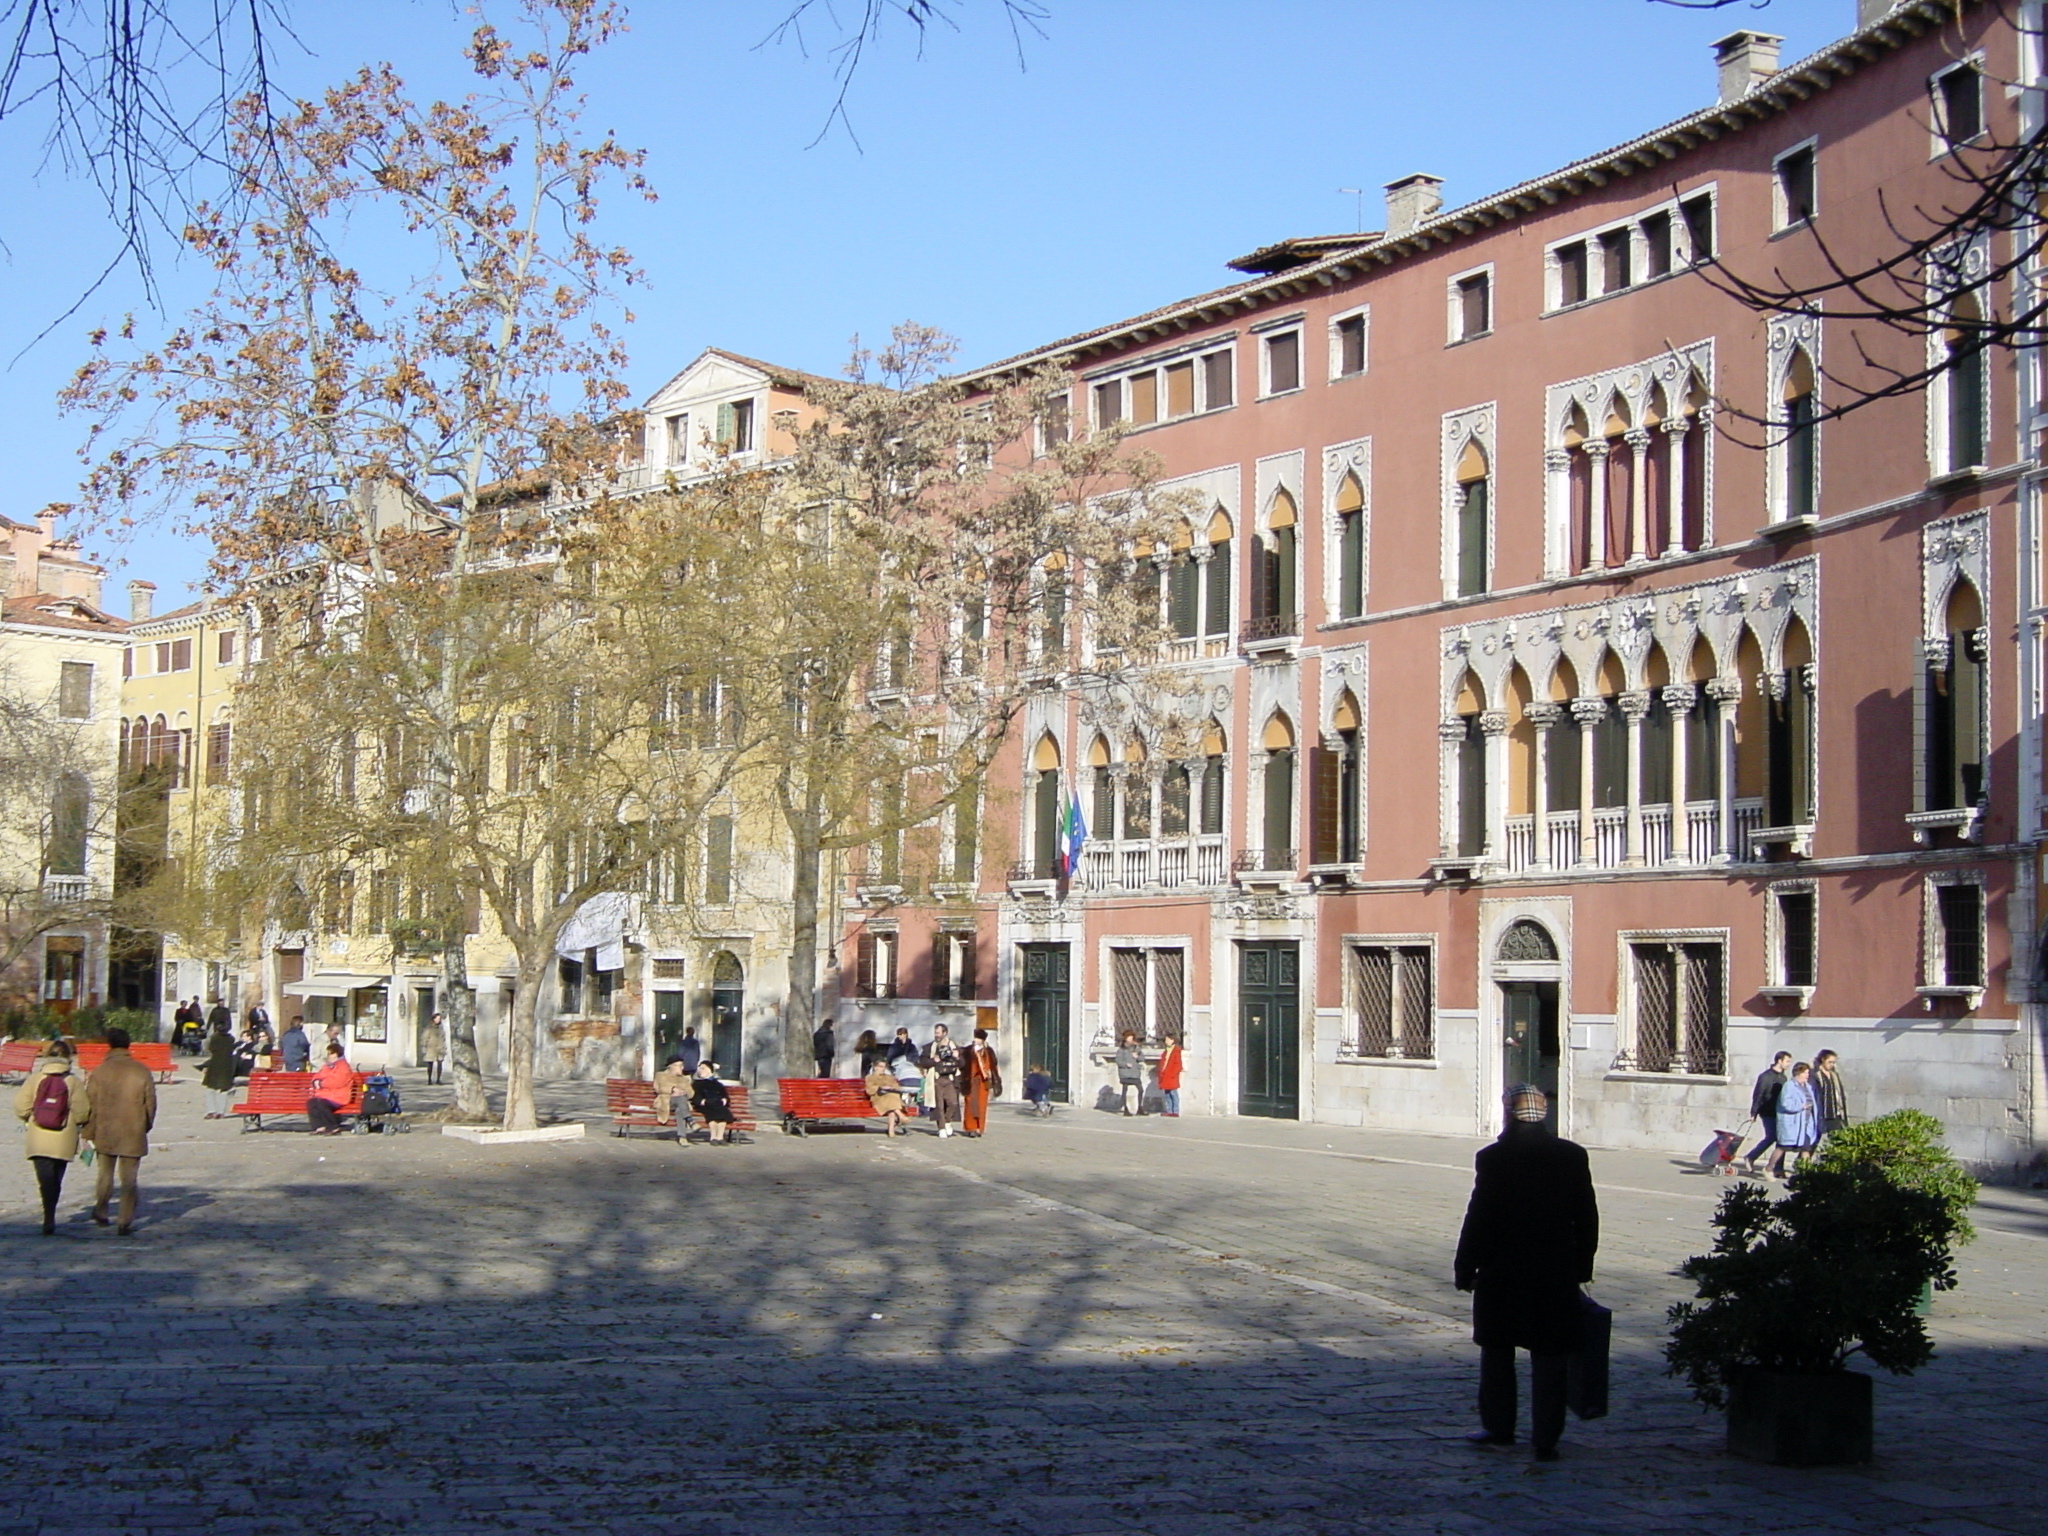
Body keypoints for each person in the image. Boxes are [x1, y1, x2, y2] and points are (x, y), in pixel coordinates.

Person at [1453, 1084, 1599, 1463]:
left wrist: (1465, 1265)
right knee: (1550, 1355)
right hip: (1555, 1269)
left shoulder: (1494, 1157)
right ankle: (1546, 1438)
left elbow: (1479, 1215)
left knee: (1498, 1350)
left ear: (1507, 1114)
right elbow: (1586, 1215)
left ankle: (1499, 1427)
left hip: (1503, 1268)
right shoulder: (1571, 1155)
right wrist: (1582, 1264)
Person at [84, 1027, 156, 1235]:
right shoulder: (141, 1071)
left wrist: (88, 1131)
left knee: (105, 1174)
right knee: (129, 1178)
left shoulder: (100, 1071)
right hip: (133, 1130)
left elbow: (91, 1105)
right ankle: (125, 1220)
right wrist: (145, 1125)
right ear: (128, 1045)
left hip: (106, 1129)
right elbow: (150, 1104)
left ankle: (102, 1210)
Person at [15, 1039, 91, 1236]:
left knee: (44, 1177)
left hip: (38, 1136)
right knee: (56, 1178)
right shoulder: (72, 1081)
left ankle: (47, 1213)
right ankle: (51, 1212)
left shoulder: (35, 1078)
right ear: (68, 1057)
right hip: (63, 1137)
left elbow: (21, 1107)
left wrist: (30, 1116)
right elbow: (83, 1112)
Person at [1742, 1051, 1791, 1176]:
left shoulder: (1783, 1078)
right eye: (1787, 1061)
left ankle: (1778, 1168)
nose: (1788, 1064)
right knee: (1772, 1137)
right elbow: (1758, 1095)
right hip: (1767, 1111)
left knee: (1782, 1140)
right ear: (1779, 1061)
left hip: (1780, 1112)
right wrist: (1754, 1112)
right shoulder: (1765, 1076)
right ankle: (1751, 1157)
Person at [1773, 1062, 1820, 1178]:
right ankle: (1770, 1168)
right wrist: (1800, 1106)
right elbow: (1785, 1103)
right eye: (1805, 1072)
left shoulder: (1807, 1087)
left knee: (1806, 1148)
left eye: (1808, 1072)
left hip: (1806, 1124)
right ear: (1798, 1073)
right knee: (1782, 1147)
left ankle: (1805, 1172)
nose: (1807, 1075)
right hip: (1793, 1124)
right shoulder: (1789, 1086)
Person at [961, 1027, 1002, 1138]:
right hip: (971, 1080)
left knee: (981, 1105)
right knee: (970, 1104)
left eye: (978, 1038)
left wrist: (996, 1081)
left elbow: (993, 1066)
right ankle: (971, 1127)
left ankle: (980, 1127)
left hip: (983, 1082)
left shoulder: (988, 1051)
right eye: (975, 1038)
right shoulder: (968, 1050)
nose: (975, 1040)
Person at [307, 1042, 355, 1135]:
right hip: (325, 1094)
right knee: (312, 1102)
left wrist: (321, 1084)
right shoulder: (327, 1066)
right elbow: (318, 1075)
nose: (328, 1056)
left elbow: (337, 1082)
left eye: (330, 1053)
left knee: (322, 1104)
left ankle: (333, 1126)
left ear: (337, 1054)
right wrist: (315, 1081)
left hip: (338, 1096)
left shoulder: (343, 1067)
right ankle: (319, 1126)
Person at [926, 1023, 963, 1138]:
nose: (936, 1035)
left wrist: (957, 1057)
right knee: (939, 1106)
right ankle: (941, 1128)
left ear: (945, 1033)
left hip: (950, 1079)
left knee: (953, 1103)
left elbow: (963, 1064)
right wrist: (933, 1060)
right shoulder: (930, 1047)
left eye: (938, 1033)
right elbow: (922, 1062)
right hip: (936, 1079)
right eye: (935, 1033)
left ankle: (947, 1121)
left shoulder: (954, 1046)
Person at [691, 1062, 734, 1146]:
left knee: (723, 1112)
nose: (700, 1070)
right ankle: (713, 1137)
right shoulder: (697, 1083)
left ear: (709, 1070)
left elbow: (724, 1094)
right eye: (699, 1068)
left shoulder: (717, 1083)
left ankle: (720, 1137)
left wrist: (724, 1100)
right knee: (712, 1112)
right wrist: (701, 1101)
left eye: (703, 1068)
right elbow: (695, 1095)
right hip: (705, 1104)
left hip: (717, 1104)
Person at [201, 1025, 238, 1118]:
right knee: (223, 1090)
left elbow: (210, 1049)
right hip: (227, 1066)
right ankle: (221, 1112)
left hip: (214, 1065)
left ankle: (211, 1111)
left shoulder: (214, 1038)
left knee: (210, 1089)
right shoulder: (231, 1039)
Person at [1812, 1049, 1850, 1140]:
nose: (1832, 1065)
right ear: (1823, 1060)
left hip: (1835, 1112)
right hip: (1822, 1113)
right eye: (1830, 1062)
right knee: (1813, 1142)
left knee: (1838, 1139)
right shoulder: (1816, 1075)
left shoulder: (1834, 1075)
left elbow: (1839, 1093)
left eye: (1833, 1062)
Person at [864, 1060, 910, 1136]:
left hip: (891, 1099)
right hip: (879, 1098)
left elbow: (898, 1087)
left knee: (891, 1108)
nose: (883, 1069)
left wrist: (892, 1087)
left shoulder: (889, 1077)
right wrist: (880, 1087)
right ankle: (901, 1116)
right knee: (892, 1098)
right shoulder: (870, 1077)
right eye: (881, 1066)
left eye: (884, 1067)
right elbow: (869, 1089)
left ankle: (891, 1130)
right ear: (875, 1067)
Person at [651, 1055, 693, 1126]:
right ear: (671, 1066)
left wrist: (683, 1092)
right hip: (666, 1102)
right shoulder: (661, 1075)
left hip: (681, 1104)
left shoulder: (684, 1079)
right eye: (679, 1066)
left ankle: (682, 1135)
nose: (682, 1068)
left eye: (682, 1065)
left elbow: (691, 1094)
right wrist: (673, 1089)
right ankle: (690, 1120)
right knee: (681, 1101)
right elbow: (658, 1088)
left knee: (680, 1109)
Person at [1115, 1031, 1145, 1116]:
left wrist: (1137, 1057)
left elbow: (1142, 1058)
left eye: (1131, 1037)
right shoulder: (1121, 1050)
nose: (1130, 1039)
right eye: (1129, 1037)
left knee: (1140, 1089)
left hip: (1135, 1072)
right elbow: (1118, 1060)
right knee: (1125, 1090)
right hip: (1125, 1073)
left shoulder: (1136, 1048)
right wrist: (1125, 1064)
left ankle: (1140, 1108)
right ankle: (1126, 1109)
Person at [1157, 1033, 1184, 1118]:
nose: (1166, 1041)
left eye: (1167, 1039)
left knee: (1173, 1093)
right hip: (1165, 1075)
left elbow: (1178, 1064)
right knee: (1167, 1094)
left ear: (1172, 1040)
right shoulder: (1166, 1050)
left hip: (1171, 1075)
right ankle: (1169, 1110)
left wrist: (1173, 1073)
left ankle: (1175, 1111)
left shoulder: (1176, 1050)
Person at [420, 1010, 447, 1085]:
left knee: (440, 1064)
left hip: (440, 1048)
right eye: (437, 1018)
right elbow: (424, 1037)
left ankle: (438, 1079)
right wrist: (424, 1046)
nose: (438, 1020)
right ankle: (429, 1079)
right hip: (431, 1048)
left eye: (439, 1018)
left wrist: (444, 1047)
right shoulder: (429, 1028)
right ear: (433, 1019)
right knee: (430, 1065)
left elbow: (443, 1038)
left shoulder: (441, 1028)